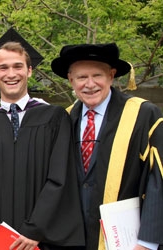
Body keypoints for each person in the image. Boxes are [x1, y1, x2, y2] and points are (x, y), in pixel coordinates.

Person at [0, 29, 85, 250]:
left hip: (41, 240)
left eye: (18, 66)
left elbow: (60, 179)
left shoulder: (54, 118)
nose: (11, 74)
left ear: (30, 70)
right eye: (3, 68)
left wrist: (35, 229)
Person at [51, 43, 163, 250]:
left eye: (97, 75)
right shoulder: (65, 119)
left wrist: (147, 241)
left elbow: (158, 180)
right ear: (71, 80)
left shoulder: (143, 115)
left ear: (111, 76)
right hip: (73, 240)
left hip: (129, 242)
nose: (90, 84)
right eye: (82, 77)